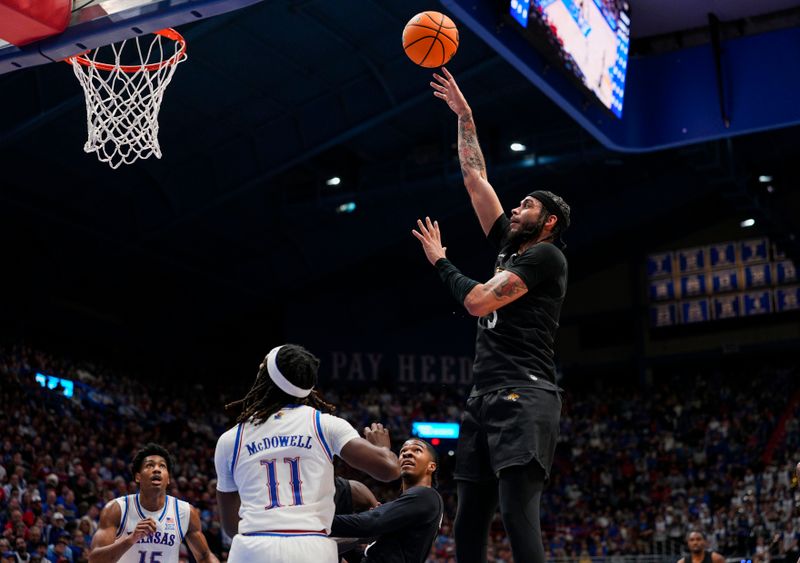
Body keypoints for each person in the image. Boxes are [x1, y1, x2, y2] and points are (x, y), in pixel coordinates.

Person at [413, 67, 570, 563]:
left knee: (517, 513)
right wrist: (465, 114)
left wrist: (440, 262)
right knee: (467, 521)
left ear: (547, 222)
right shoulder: (510, 245)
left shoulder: (547, 257)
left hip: (525, 394)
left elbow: (478, 302)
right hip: (483, 396)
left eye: (526, 204)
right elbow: (475, 176)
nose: (516, 206)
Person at [214, 344, 401, 563]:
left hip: (253, 547)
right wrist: (382, 449)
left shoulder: (231, 439)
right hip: (311, 547)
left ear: (266, 379)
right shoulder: (325, 424)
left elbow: (229, 525)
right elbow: (390, 470)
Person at [88, 443, 219, 563]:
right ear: (138, 477)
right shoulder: (117, 509)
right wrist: (131, 539)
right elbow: (94, 560)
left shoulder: (186, 512)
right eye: (149, 465)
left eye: (162, 466)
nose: (157, 469)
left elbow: (204, 556)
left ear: (168, 478)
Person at [331, 438, 443, 563]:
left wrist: (317, 519)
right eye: (403, 451)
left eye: (417, 450)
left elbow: (370, 523)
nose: (407, 453)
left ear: (431, 466)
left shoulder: (426, 495)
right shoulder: (413, 504)